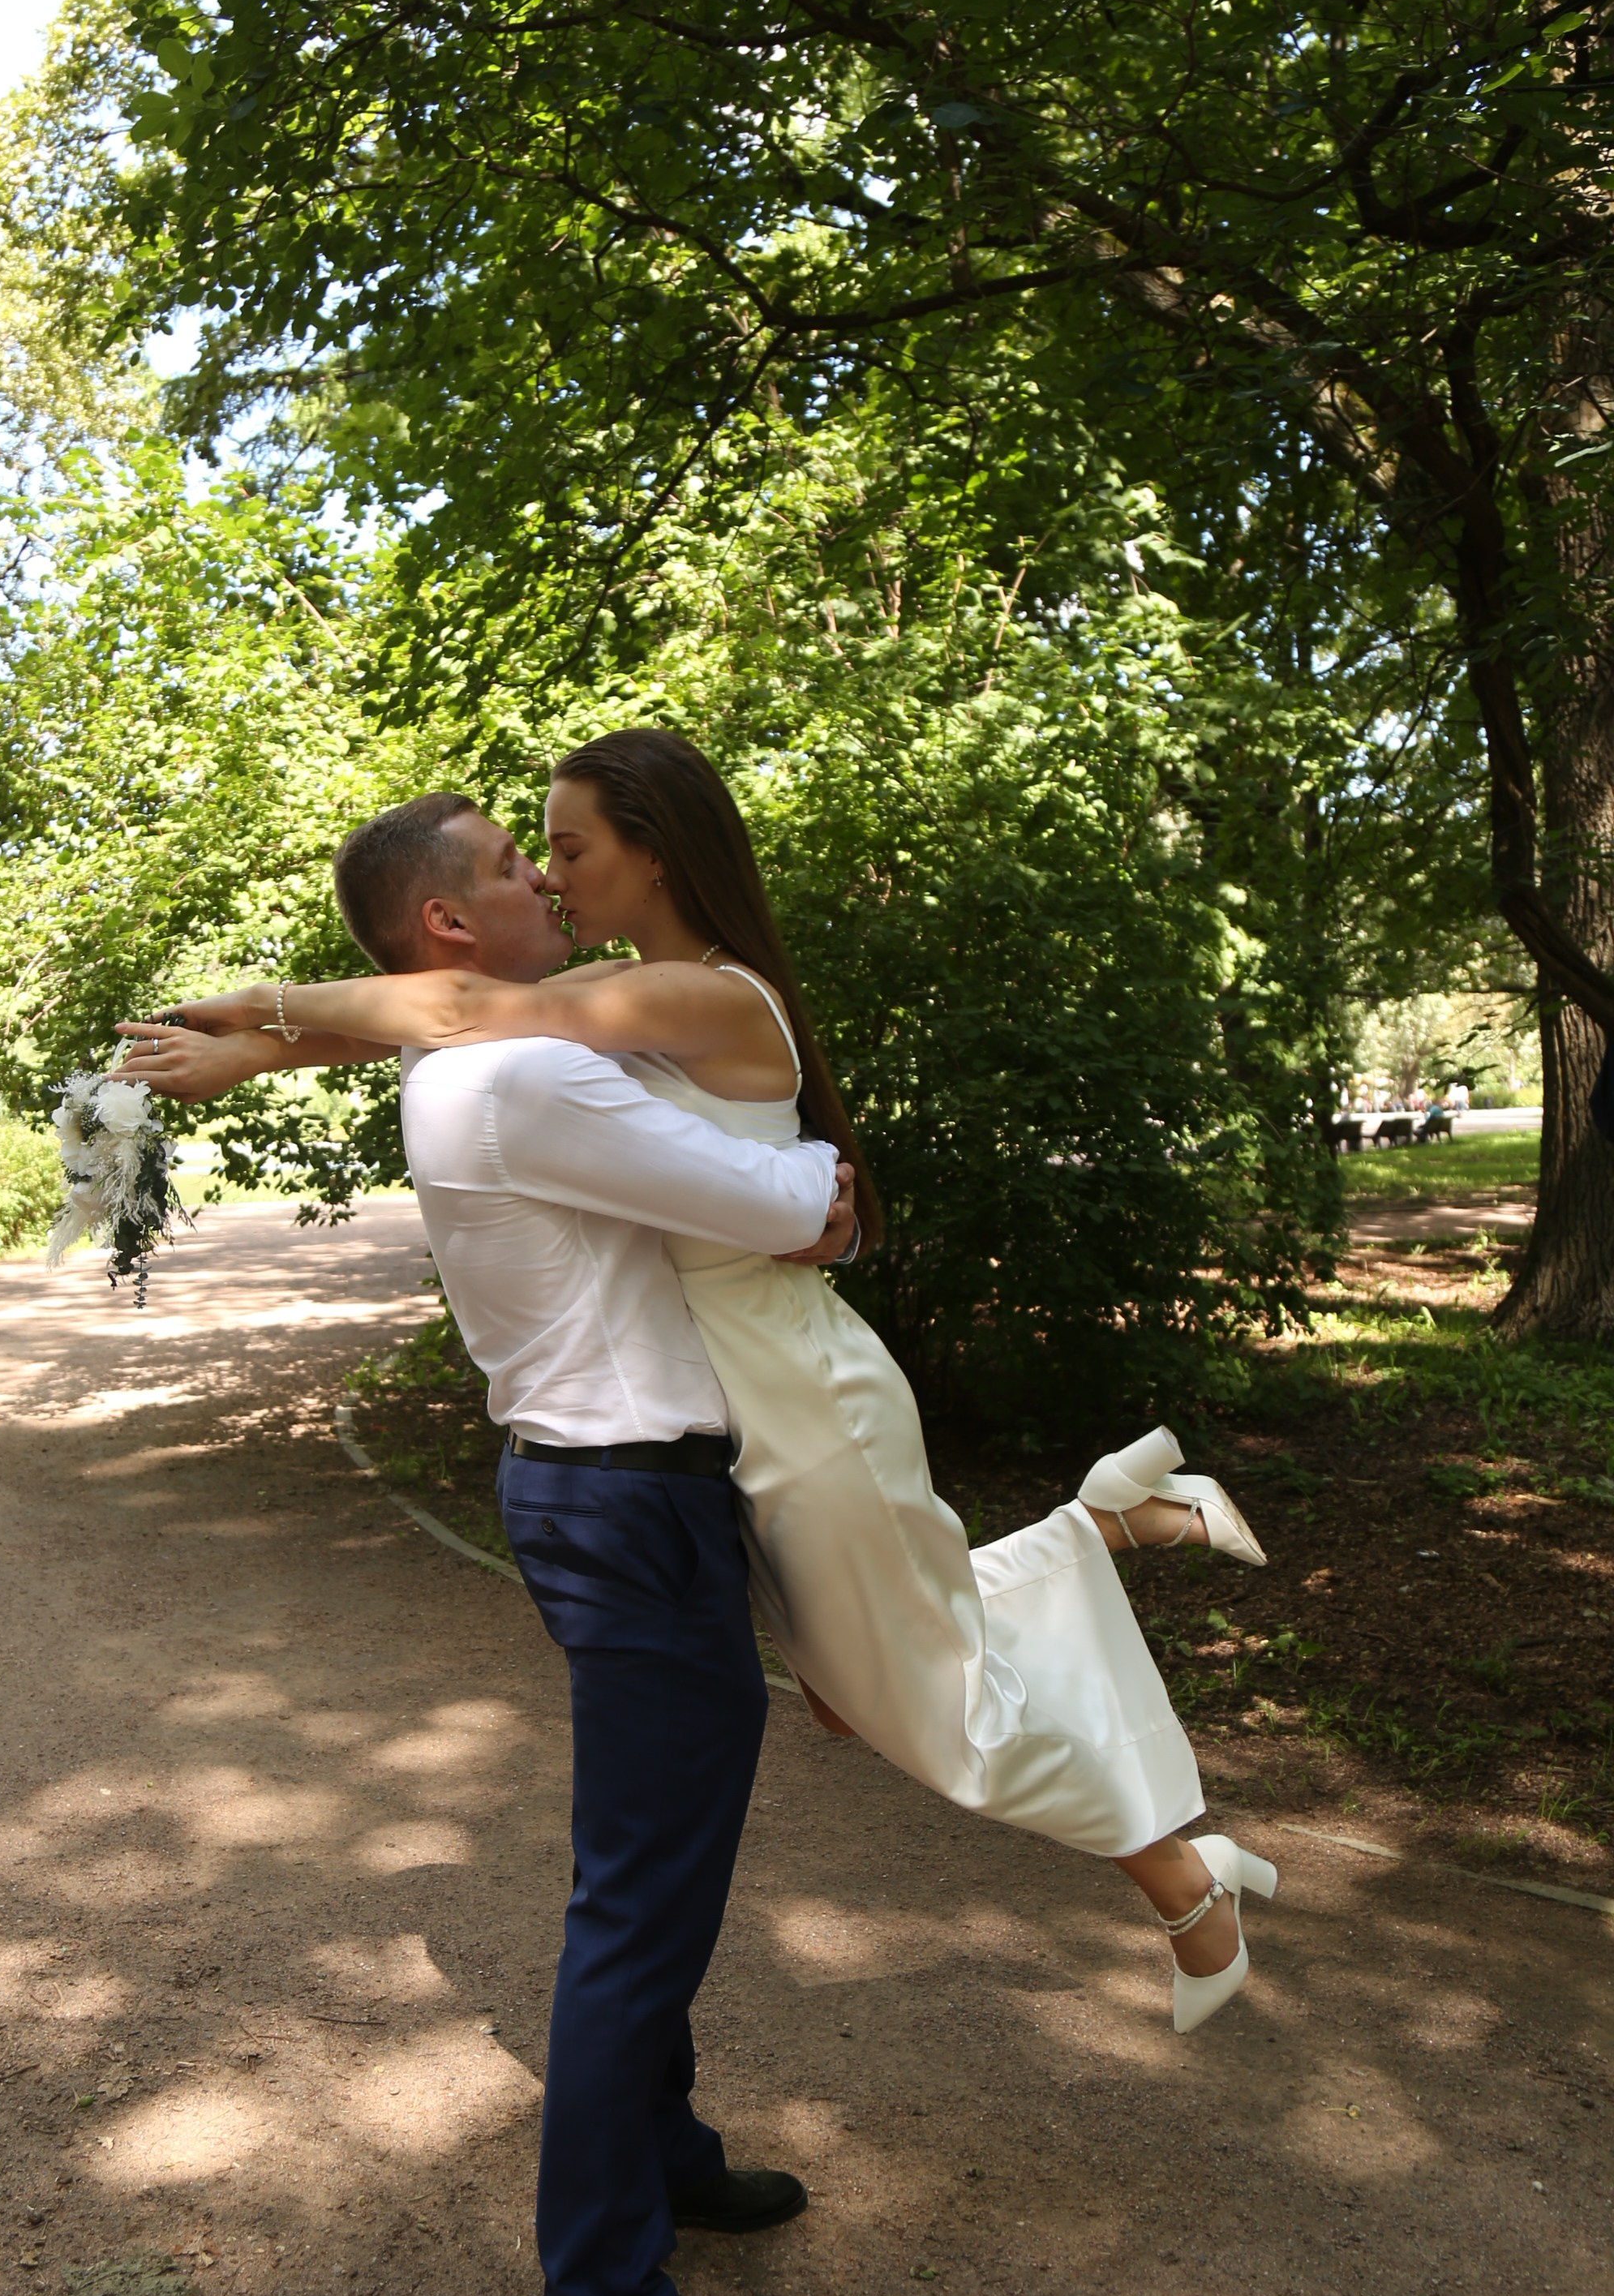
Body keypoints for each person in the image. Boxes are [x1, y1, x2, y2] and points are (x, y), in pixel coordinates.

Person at [113, 741, 1280, 2038]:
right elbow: (437, 1017)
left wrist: (256, 1006)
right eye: (535, 855)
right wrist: (251, 1054)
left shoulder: (705, 998)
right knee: (871, 1683)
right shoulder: (626, 989)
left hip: (796, 1388)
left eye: (569, 849)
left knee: (923, 1704)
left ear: (654, 851)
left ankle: (1187, 1880)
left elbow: (452, 1011)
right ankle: (1119, 1527)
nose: (552, 881)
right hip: (731, 1399)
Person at [127, 792, 857, 2296]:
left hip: (613, 1493)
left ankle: (661, 2164)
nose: (544, 878)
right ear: (451, 927)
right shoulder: (523, 1071)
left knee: (654, 1870)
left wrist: (262, 1032)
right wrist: (815, 1180)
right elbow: (781, 1209)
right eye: (514, 865)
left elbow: (663, 1143)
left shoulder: (475, 1057)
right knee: (637, 1906)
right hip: (624, 1501)